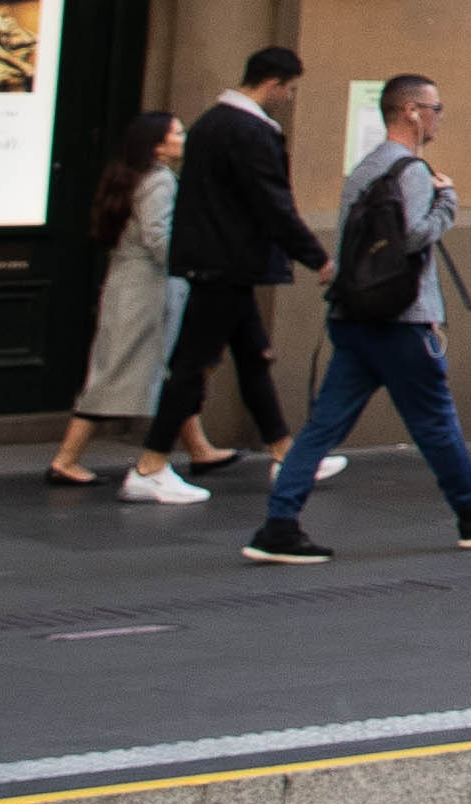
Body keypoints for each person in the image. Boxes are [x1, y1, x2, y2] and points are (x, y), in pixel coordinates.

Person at [240, 76, 471, 562]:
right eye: (436, 107)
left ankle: (279, 524)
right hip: (400, 320)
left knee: (322, 428)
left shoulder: (363, 170)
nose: (440, 117)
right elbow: (415, 236)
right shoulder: (412, 172)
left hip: (354, 316)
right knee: (436, 422)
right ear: (411, 112)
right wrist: (449, 202)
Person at [146, 47, 332, 485]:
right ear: (272, 83)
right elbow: (272, 202)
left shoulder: (209, 123)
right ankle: (150, 464)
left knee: (253, 358)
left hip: (217, 260)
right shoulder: (248, 131)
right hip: (227, 263)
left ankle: (287, 452)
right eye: (289, 90)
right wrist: (316, 256)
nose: (288, 98)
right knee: (192, 365)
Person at [52, 113, 186, 494]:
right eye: (176, 133)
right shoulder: (159, 180)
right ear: (158, 145)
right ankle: (67, 458)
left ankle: (199, 450)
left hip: (130, 284)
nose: (183, 137)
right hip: (144, 290)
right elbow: (158, 236)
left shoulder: (134, 176)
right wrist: (187, 263)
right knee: (119, 372)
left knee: (162, 372)